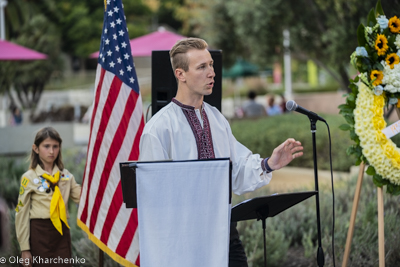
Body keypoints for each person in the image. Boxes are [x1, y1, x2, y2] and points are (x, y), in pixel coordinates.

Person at [138, 38, 303, 266]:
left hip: (225, 232)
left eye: (212, 65)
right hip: (184, 240)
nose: (212, 73)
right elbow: (154, 198)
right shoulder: (158, 129)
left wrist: (268, 163)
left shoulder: (217, 118)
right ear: (180, 74)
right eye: (202, 67)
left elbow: (236, 170)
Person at [15, 127, 81, 267]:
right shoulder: (28, 178)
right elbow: (21, 213)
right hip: (39, 233)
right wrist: (25, 249)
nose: (51, 151)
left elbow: (83, 198)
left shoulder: (65, 176)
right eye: (46, 146)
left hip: (61, 233)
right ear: (36, 148)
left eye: (55, 146)